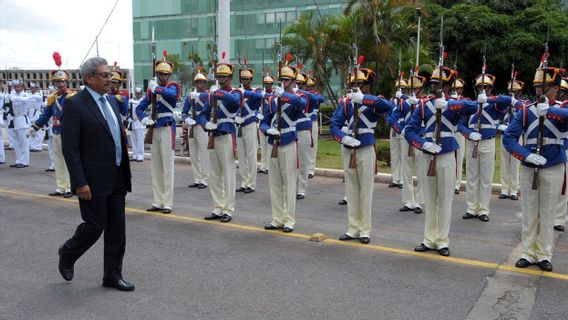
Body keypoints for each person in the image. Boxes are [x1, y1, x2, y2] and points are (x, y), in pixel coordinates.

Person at [58, 56, 134, 291]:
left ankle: (112, 275)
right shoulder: (75, 104)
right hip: (92, 180)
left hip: (117, 176)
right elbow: (70, 148)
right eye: (104, 75)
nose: (109, 79)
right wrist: (79, 182)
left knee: (117, 230)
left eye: (110, 75)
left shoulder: (110, 101)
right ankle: (68, 253)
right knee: (95, 225)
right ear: (89, 78)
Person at [405, 66, 478, 256]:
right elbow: (410, 131)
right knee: (430, 200)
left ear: (447, 86)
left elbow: (473, 107)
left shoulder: (454, 104)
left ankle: (442, 241)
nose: (434, 86)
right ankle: (429, 239)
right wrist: (423, 144)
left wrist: (448, 105)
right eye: (433, 83)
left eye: (438, 84)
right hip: (427, 153)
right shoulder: (423, 105)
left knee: (445, 200)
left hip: (446, 153)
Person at [503, 65, 567, 272]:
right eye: (538, 86)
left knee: (548, 212)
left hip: (553, 165)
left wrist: (550, 111)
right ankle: (528, 252)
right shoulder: (525, 110)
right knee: (530, 211)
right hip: (530, 166)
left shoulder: (563, 107)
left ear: (556, 89)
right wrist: (526, 155)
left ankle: (543, 253)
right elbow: (509, 138)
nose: (539, 90)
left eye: (545, 86)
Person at [330, 67, 392, 244]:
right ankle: (353, 227)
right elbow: (334, 125)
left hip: (365, 147)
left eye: (359, 84)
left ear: (367, 86)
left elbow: (388, 106)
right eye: (352, 84)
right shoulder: (346, 103)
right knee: (351, 189)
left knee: (365, 190)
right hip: (348, 148)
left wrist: (364, 99)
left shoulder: (373, 102)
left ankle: (364, 230)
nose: (354, 87)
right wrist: (344, 139)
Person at [260, 61, 307, 233]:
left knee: (289, 183)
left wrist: (284, 96)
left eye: (288, 80)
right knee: (275, 183)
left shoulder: (297, 97)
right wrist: (268, 130)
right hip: (273, 142)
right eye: (283, 80)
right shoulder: (272, 99)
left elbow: (302, 105)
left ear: (294, 82)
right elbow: (264, 122)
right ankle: (277, 218)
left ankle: (289, 220)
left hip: (288, 141)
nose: (284, 83)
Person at [458, 73, 509, 222]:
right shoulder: (471, 105)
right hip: (472, 143)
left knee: (486, 179)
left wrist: (488, 99)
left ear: (491, 89)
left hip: (488, 142)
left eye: (486, 87)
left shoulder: (495, 105)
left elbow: (508, 100)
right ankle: (471, 208)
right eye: (480, 87)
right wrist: (469, 134)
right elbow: (461, 125)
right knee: (472, 177)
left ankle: (483, 209)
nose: (483, 89)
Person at [136, 53, 181, 214]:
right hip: (155, 128)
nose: (163, 76)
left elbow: (172, 96)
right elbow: (138, 108)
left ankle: (167, 202)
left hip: (168, 127)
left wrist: (156, 88)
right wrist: (144, 120)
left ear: (169, 75)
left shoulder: (172, 86)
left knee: (167, 167)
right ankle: (158, 200)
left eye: (165, 74)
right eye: (160, 73)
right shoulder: (152, 91)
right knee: (156, 167)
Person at [199, 59, 242, 223]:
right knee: (215, 175)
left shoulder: (235, 92)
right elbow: (203, 114)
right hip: (213, 136)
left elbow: (234, 102)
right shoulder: (212, 95)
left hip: (227, 136)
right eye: (220, 76)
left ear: (230, 78)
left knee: (228, 175)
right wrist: (205, 124)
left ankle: (228, 209)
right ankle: (218, 207)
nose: (222, 79)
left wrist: (215, 93)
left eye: (225, 76)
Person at [29, 65, 75, 198]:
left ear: (66, 82)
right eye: (58, 82)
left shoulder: (72, 96)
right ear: (54, 83)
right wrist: (35, 126)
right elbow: (46, 115)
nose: (60, 84)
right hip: (56, 131)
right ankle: (61, 186)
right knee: (58, 160)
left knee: (68, 161)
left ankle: (69, 187)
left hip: (68, 132)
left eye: (62, 81)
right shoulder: (52, 98)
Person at [387, 74, 427, 214]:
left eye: (415, 89)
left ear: (420, 89)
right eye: (410, 89)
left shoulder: (425, 103)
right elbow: (391, 119)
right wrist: (401, 130)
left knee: (421, 171)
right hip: (406, 139)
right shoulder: (405, 104)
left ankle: (420, 201)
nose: (412, 91)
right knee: (407, 171)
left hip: (420, 138)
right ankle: (409, 200)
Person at [235, 66, 262, 194]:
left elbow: (259, 97)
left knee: (251, 155)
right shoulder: (237, 92)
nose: (245, 81)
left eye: (247, 79)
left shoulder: (254, 91)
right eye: (243, 79)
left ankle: (251, 183)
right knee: (241, 155)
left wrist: (244, 92)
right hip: (239, 125)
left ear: (251, 80)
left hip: (250, 124)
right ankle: (244, 181)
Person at [182, 68, 209, 189]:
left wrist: (198, 96)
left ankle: (205, 179)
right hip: (192, 126)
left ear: (204, 84)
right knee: (194, 154)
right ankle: (197, 178)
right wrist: (187, 119)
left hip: (202, 126)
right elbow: (184, 112)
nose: (199, 84)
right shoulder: (189, 97)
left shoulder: (206, 95)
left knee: (204, 154)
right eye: (197, 82)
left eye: (201, 82)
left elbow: (208, 96)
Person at [498, 79, 524, 201]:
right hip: (504, 134)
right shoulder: (504, 104)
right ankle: (504, 189)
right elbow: (498, 117)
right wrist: (500, 126)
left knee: (515, 164)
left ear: (520, 92)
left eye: (515, 91)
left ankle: (514, 189)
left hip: (516, 137)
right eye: (510, 92)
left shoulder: (522, 104)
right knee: (504, 163)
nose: (512, 94)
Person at [295, 71, 314, 199]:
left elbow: (315, 99)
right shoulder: (288, 95)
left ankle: (301, 189)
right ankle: (292, 187)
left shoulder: (307, 96)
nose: (297, 85)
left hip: (303, 131)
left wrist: (298, 91)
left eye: (299, 83)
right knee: (290, 163)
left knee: (303, 161)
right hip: (290, 131)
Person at [389, 77, 408, 188]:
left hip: (404, 128)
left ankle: (402, 179)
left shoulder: (407, 100)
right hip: (394, 128)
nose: (400, 90)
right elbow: (388, 114)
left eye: (403, 88)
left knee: (404, 155)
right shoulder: (392, 101)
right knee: (394, 154)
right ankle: (395, 178)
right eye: (399, 88)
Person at [7, 79, 30, 168]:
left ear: (23, 87)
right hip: (14, 120)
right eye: (15, 86)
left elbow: (25, 100)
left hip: (22, 120)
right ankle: (19, 160)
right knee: (16, 142)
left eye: (19, 86)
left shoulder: (25, 95)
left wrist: (14, 97)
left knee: (24, 142)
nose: (17, 88)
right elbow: (7, 98)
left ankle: (25, 162)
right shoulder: (13, 94)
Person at [451, 78, 467, 194]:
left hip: (459, 133)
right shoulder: (448, 100)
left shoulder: (463, 100)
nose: (455, 90)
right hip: (449, 133)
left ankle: (457, 184)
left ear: (461, 90)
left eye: (457, 88)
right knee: (450, 159)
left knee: (459, 159)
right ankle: (450, 182)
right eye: (453, 88)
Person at [257, 71, 274, 174]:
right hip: (261, 118)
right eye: (266, 83)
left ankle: (268, 166)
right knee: (263, 145)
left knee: (269, 144)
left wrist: (265, 96)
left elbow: (271, 98)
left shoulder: (273, 93)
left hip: (269, 120)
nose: (267, 85)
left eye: (269, 84)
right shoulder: (261, 92)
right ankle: (263, 166)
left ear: (272, 84)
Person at [128, 87, 146, 162]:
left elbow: (140, 106)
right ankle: (135, 155)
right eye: (136, 93)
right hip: (133, 122)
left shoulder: (143, 100)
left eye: (139, 93)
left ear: (141, 94)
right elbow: (129, 110)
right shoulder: (132, 101)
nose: (137, 95)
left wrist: (132, 102)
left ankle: (140, 156)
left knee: (140, 140)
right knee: (133, 140)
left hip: (139, 122)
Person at [28, 82, 44, 152]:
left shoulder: (39, 95)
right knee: (31, 131)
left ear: (37, 88)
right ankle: (32, 146)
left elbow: (35, 97)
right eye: (31, 88)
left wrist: (27, 96)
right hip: (30, 114)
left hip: (36, 114)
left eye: (34, 88)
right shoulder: (29, 95)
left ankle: (38, 146)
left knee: (37, 131)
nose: (32, 89)